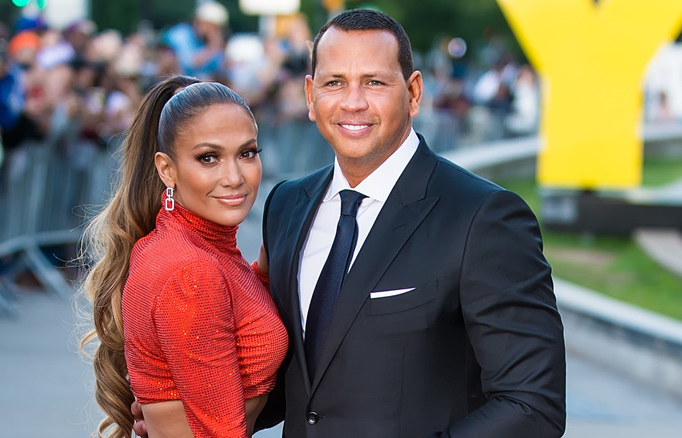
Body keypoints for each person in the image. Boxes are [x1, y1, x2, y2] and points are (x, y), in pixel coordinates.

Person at [136, 8, 566, 438]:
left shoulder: (483, 217)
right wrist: (178, 413)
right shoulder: (287, 206)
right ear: (310, 95)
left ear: (414, 93)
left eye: (374, 82)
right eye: (334, 82)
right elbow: (307, 383)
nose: (353, 102)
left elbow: (532, 405)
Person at [81, 75, 288, 438]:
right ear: (167, 169)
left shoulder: (196, 248)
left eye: (247, 153)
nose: (234, 177)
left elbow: (235, 312)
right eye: (209, 158)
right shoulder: (191, 271)